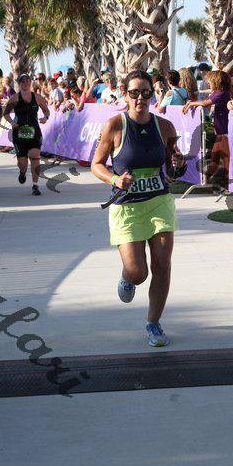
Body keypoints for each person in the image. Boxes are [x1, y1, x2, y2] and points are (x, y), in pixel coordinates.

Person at [91, 69, 186, 347]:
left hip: (159, 202)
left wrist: (178, 165)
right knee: (138, 273)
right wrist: (115, 179)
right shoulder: (114, 125)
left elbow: (173, 170)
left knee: (162, 265)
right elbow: (96, 164)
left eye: (146, 93)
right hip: (127, 207)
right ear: (125, 94)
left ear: (153, 96)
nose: (141, 98)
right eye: (134, 93)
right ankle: (127, 277)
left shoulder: (165, 127)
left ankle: (153, 324)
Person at [4, 73, 50, 196]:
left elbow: (46, 111)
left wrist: (45, 118)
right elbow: (6, 113)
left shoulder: (38, 97)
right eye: (23, 82)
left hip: (34, 132)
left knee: (35, 159)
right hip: (19, 133)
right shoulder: (14, 98)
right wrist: (12, 122)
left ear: (31, 82)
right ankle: (22, 172)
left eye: (27, 81)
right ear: (19, 84)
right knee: (23, 163)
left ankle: (35, 185)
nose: (25, 83)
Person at [183, 69, 231, 181]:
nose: (209, 83)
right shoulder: (217, 93)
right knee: (215, 159)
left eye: (210, 82)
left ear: (216, 82)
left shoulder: (222, 94)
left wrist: (191, 104)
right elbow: (205, 100)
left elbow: (205, 103)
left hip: (225, 133)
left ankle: (231, 185)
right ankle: (203, 181)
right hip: (220, 132)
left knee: (226, 161)